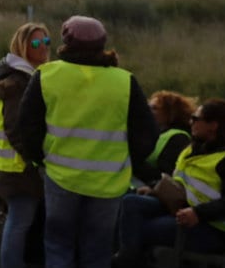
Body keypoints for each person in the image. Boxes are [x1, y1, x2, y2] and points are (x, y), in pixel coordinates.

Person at [19, 15, 157, 268]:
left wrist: (41, 158)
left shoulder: (47, 75)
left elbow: (26, 127)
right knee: (98, 249)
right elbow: (148, 133)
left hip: (61, 178)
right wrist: (126, 160)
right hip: (108, 182)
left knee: (59, 245)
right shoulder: (124, 81)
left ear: (66, 42)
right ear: (101, 44)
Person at [116, 99, 225, 265]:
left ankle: (127, 262)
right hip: (181, 207)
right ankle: (127, 258)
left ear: (213, 125)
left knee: (140, 229)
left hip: (211, 228)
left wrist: (198, 213)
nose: (190, 122)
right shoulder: (196, 149)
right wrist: (154, 189)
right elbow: (182, 182)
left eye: (195, 118)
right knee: (130, 203)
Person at [0, 22, 51, 268]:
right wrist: (36, 159)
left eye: (46, 41)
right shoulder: (20, 82)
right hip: (19, 167)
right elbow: (15, 127)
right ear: (22, 47)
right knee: (19, 222)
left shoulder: (23, 75)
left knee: (20, 221)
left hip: (11, 165)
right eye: (35, 43)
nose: (43, 47)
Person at [132, 90, 195, 187]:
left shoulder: (178, 138)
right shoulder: (151, 132)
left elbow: (165, 176)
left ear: (171, 112)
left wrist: (133, 161)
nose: (147, 111)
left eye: (154, 108)